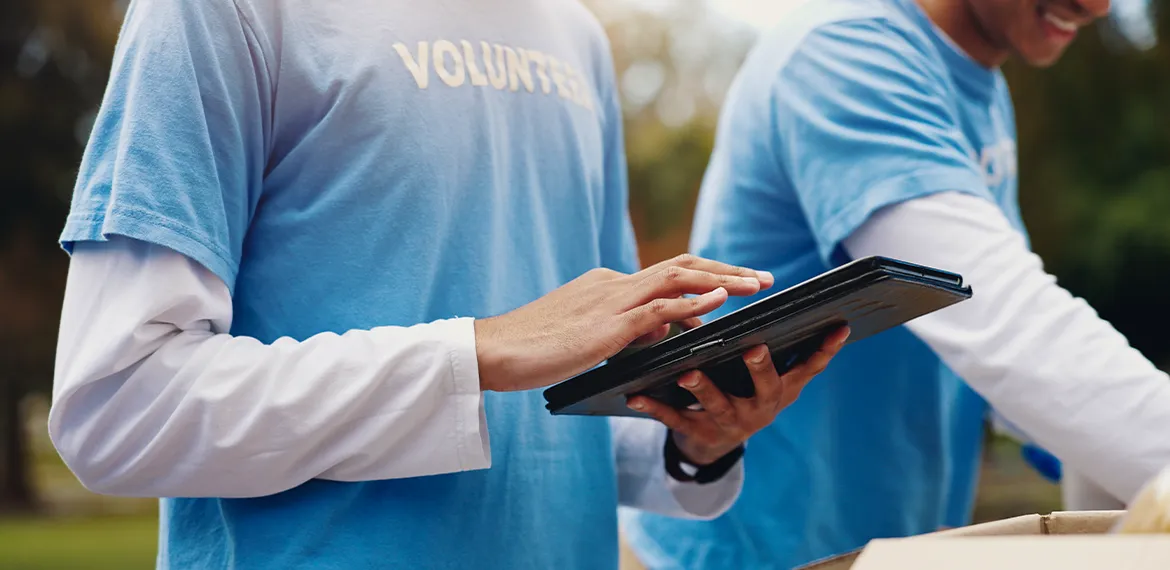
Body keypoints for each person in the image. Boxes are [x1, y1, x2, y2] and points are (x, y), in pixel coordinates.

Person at [47, 1, 849, 568]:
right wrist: (476, 351)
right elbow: (118, 409)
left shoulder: (575, 34)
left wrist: (693, 438)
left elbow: (581, 391)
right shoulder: (220, 11)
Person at [621, 0, 1170, 568]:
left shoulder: (972, 75)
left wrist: (1067, 438)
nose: (1097, 6)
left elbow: (974, 324)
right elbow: (1007, 325)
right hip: (760, 549)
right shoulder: (849, 58)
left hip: (877, 537)